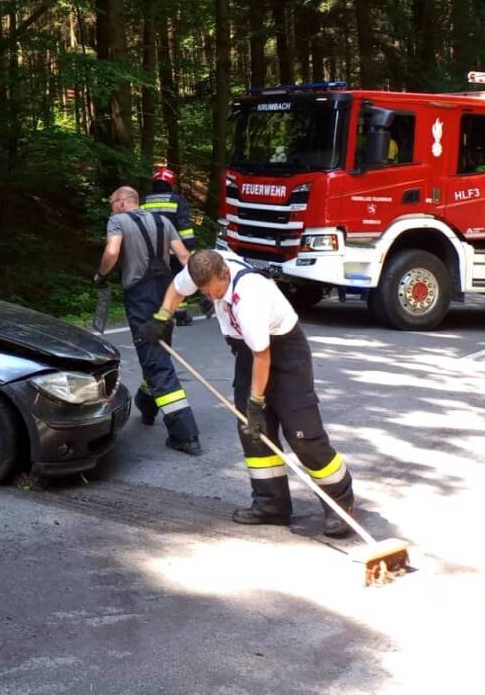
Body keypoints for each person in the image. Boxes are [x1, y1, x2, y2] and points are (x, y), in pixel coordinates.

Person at [137, 249, 355, 537]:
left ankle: (339, 499)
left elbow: (262, 356)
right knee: (252, 431)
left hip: (285, 354)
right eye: (203, 290)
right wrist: (162, 318)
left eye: (213, 290)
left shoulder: (249, 296)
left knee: (302, 436)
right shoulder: (203, 267)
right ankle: (271, 504)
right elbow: (177, 288)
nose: (209, 296)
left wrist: (256, 403)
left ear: (225, 273)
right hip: (247, 352)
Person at [95, 186, 201, 456]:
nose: (111, 207)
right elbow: (185, 257)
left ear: (121, 202)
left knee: (156, 360)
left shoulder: (117, 221)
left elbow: (112, 252)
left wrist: (101, 275)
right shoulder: (163, 221)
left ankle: (185, 434)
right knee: (158, 351)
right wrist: (199, 289)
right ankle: (147, 403)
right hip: (166, 294)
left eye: (112, 202)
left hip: (140, 295)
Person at [142, 167, 196, 325]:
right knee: (178, 279)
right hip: (174, 251)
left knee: (155, 281)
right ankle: (180, 315)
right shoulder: (177, 200)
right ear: (171, 183)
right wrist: (190, 247)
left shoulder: (144, 201)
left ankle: (156, 312)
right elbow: (184, 227)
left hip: (150, 251)